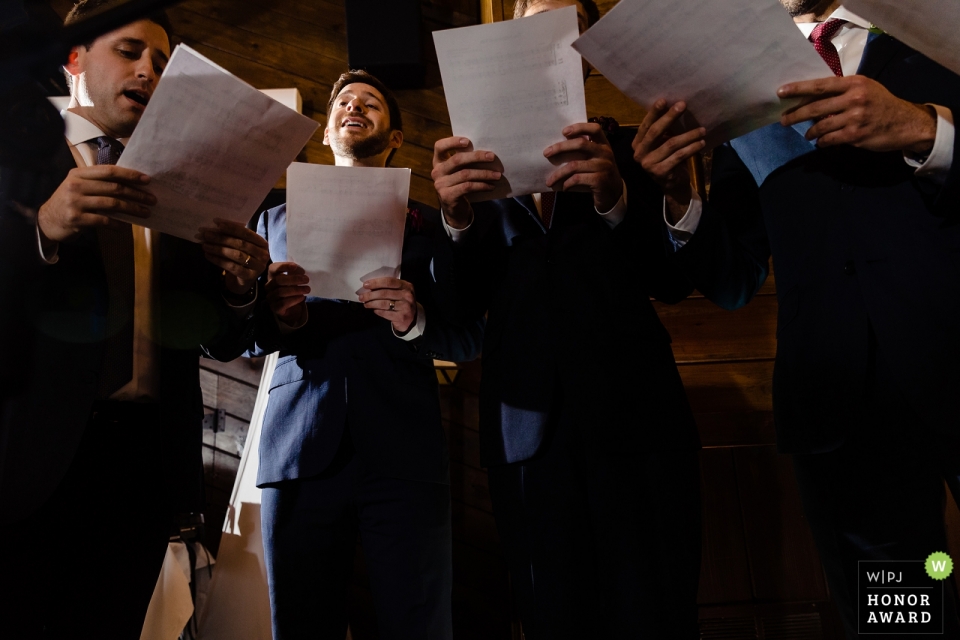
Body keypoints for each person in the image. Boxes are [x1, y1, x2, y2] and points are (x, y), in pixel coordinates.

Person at [634, 1, 960, 636]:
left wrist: (927, 129)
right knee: (901, 619)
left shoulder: (936, 30)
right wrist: (679, 194)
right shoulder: (741, 93)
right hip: (844, 407)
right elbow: (734, 279)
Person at [430, 1, 702, 637]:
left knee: (654, 611)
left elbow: (672, 281)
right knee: (553, 617)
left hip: (638, 424)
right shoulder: (471, 164)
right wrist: (456, 221)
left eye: (564, 27)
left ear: (588, 50)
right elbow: (462, 310)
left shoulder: (635, 148)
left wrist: (617, 201)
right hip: (526, 433)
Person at [0, 2, 270, 637]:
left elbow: (217, 336)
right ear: (74, 60)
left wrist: (237, 285)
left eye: (163, 62)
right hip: (28, 460)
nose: (151, 71)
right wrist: (41, 229)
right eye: (130, 52)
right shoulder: (15, 153)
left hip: (143, 468)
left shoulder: (179, 183)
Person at [250, 70, 484, 640]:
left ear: (396, 137)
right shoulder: (270, 221)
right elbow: (245, 337)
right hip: (299, 445)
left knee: (419, 624)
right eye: (344, 103)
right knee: (302, 624)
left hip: (404, 450)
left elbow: (468, 338)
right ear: (327, 133)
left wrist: (414, 321)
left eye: (372, 103)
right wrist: (278, 316)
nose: (355, 107)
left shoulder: (433, 224)